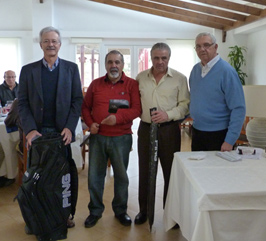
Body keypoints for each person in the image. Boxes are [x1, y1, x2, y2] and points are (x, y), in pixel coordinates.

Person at [18, 26, 83, 229]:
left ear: (60, 44)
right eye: (46, 41)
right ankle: (35, 219)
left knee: (62, 179)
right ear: (41, 45)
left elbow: (76, 100)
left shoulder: (71, 69)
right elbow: (23, 103)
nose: (50, 44)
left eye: (54, 41)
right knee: (35, 178)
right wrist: (29, 130)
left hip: (61, 134)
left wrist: (70, 127)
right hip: (36, 135)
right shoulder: (28, 71)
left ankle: (64, 215)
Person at [82, 50, 141, 228]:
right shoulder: (95, 85)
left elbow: (137, 109)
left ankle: (120, 211)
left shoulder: (132, 85)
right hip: (98, 138)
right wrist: (90, 123)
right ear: (105, 65)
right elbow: (85, 107)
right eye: (110, 62)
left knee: (121, 177)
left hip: (121, 138)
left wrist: (118, 118)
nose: (113, 65)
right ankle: (95, 211)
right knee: (94, 176)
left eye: (117, 62)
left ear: (123, 65)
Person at [135, 42, 190, 225]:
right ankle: (144, 211)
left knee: (170, 172)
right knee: (145, 172)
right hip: (145, 130)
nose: (160, 61)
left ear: (169, 58)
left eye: (163, 58)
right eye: (156, 57)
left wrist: (168, 115)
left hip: (169, 131)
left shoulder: (180, 78)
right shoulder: (140, 77)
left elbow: (184, 105)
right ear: (151, 58)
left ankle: (171, 214)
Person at [189, 32, 246, 151]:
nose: (202, 49)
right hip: (197, 132)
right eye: (198, 46)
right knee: (197, 169)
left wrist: (230, 140)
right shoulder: (195, 70)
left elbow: (238, 108)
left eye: (206, 45)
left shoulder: (227, 72)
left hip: (219, 135)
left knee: (217, 170)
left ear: (215, 47)